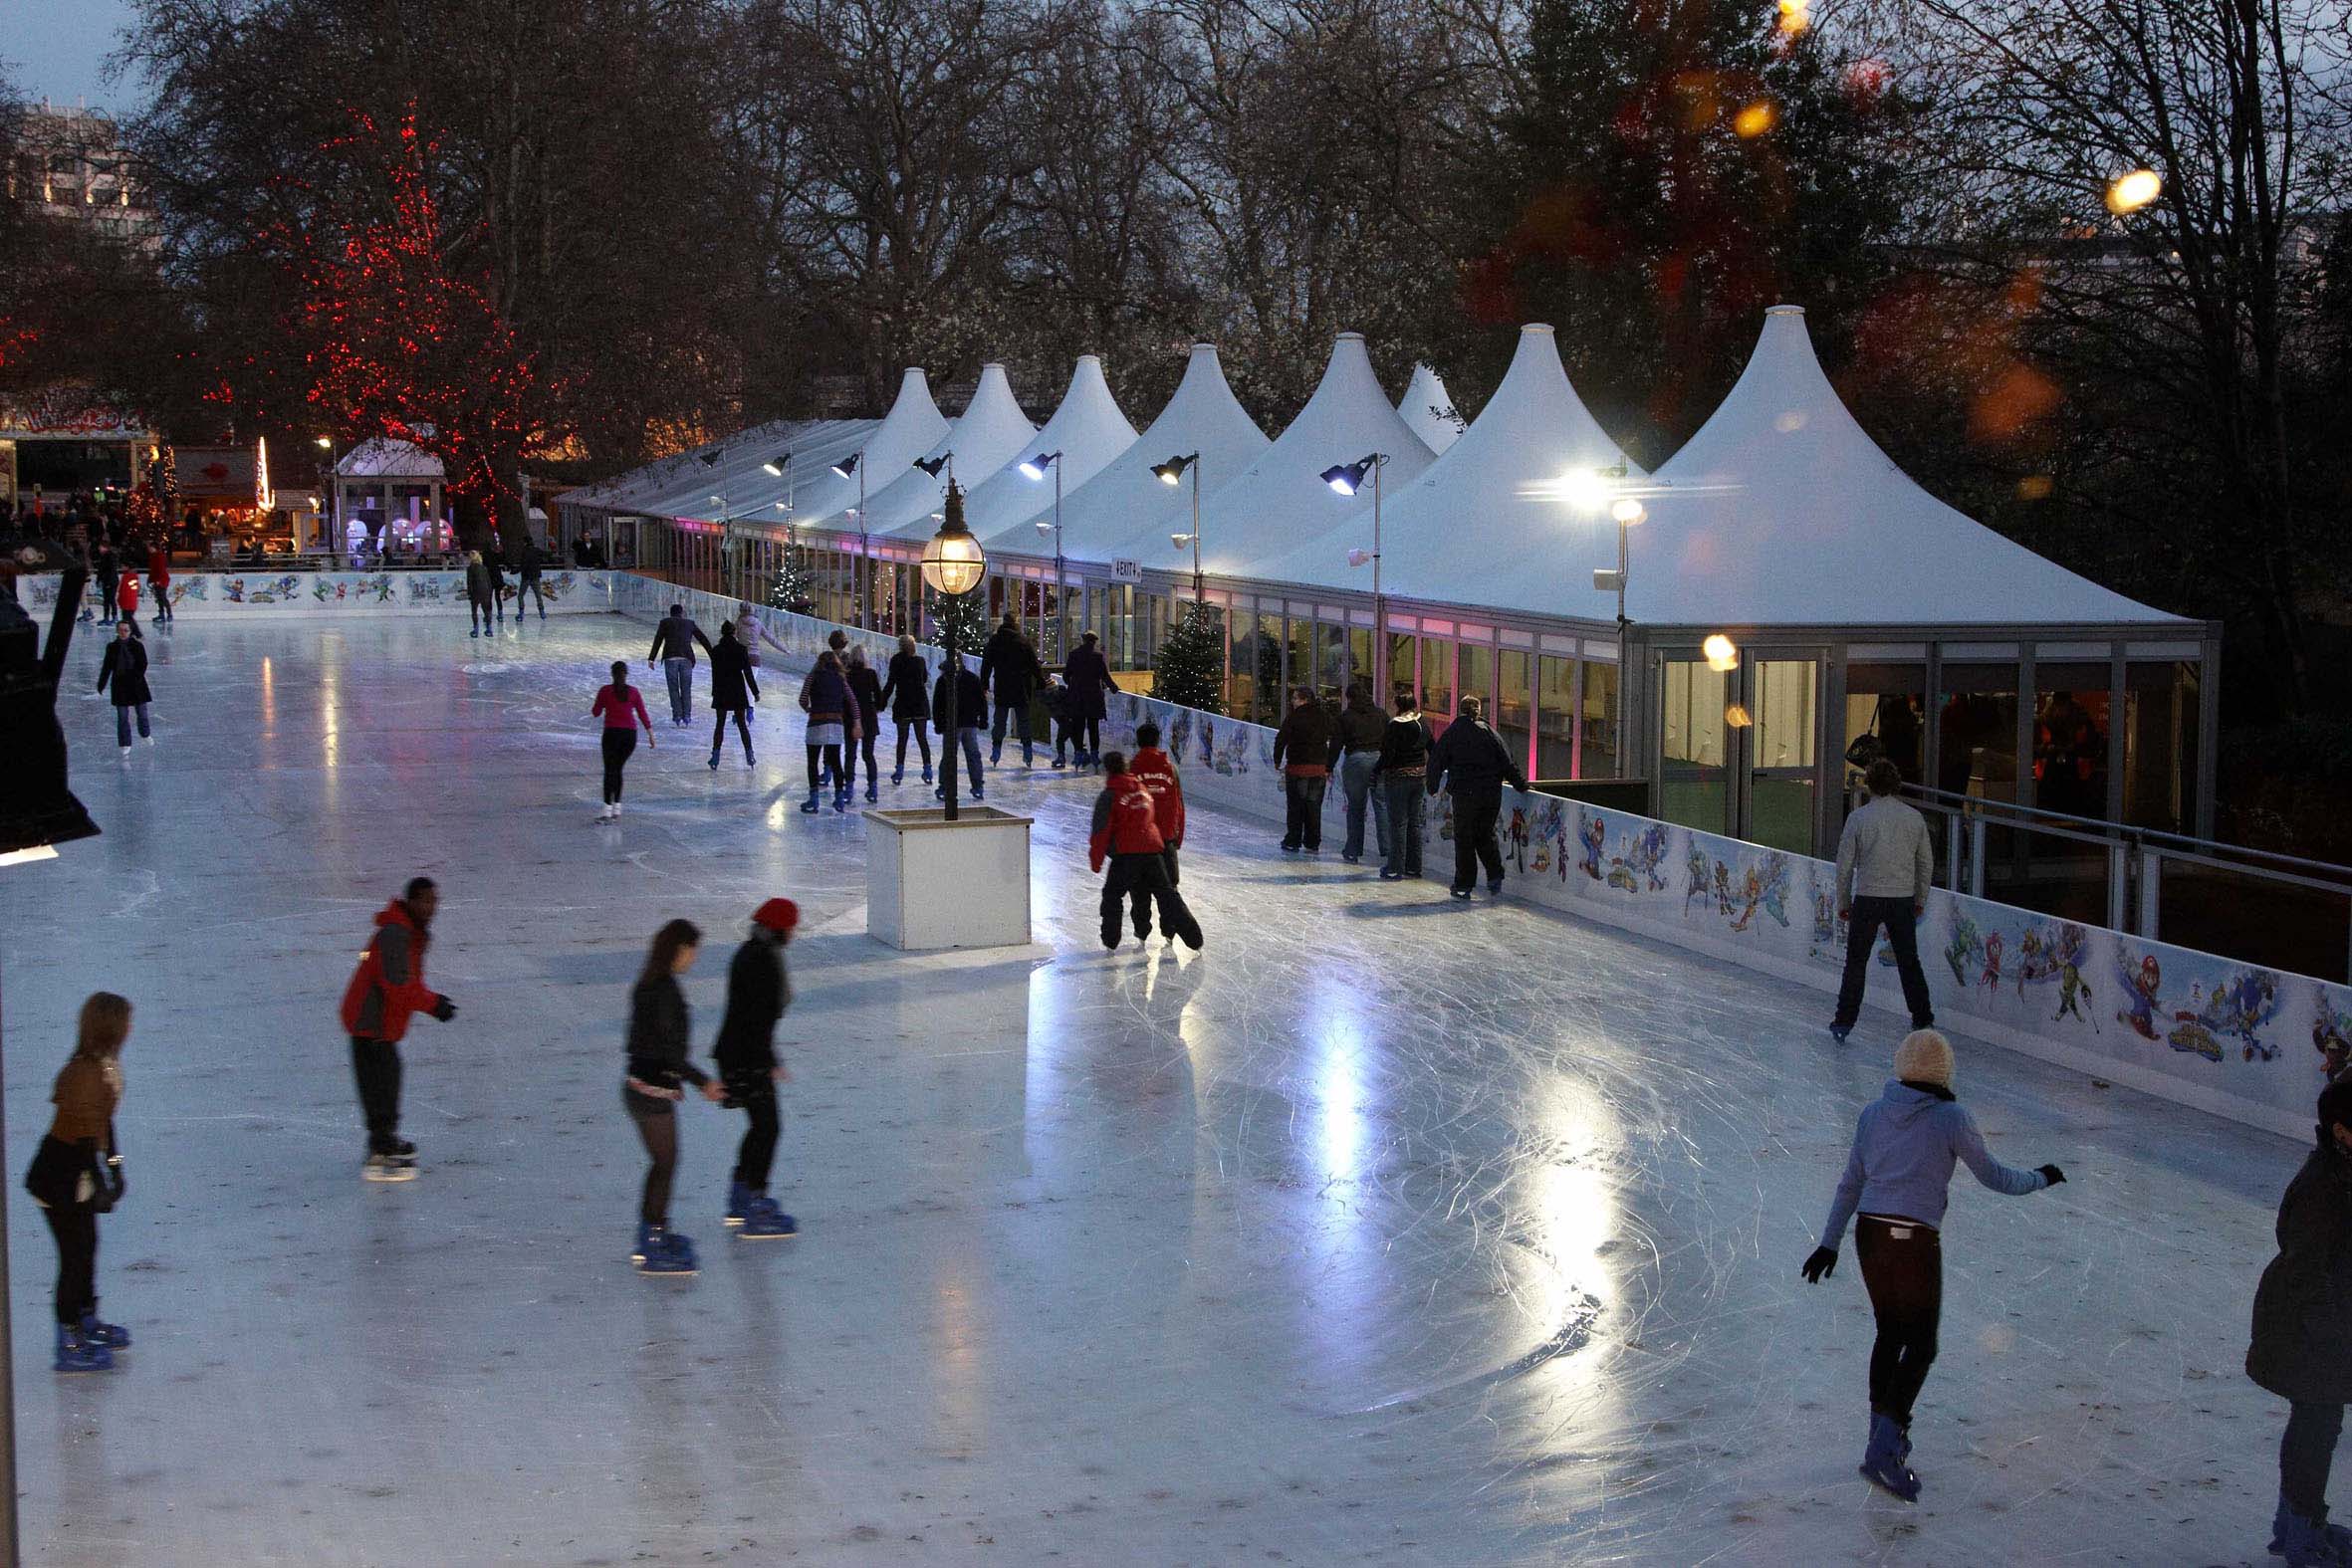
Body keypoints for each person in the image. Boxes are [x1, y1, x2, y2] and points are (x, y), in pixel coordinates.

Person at [1799, 1029, 2064, 1503]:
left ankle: (1880, 1436)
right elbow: (1996, 1177)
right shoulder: (1950, 1117)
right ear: (1945, 1071)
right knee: (1920, 1346)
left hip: (1871, 1236)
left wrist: (1829, 1244)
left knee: (1890, 1335)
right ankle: (1884, 1445)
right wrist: (2042, 1177)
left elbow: (1850, 1184)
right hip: (1915, 1242)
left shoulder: (1874, 1113)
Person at [2247, 1078, 2352, 1565]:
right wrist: (2335, 1334)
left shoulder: (2342, 1174)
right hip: (2306, 1328)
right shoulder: (2323, 1186)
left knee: (2320, 1423)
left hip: (2323, 1324)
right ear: (2342, 1131)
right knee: (2316, 1423)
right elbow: (2307, 1271)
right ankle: (2299, 1530)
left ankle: (2296, 1521)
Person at [24, 992, 134, 1373]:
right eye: (126, 1021)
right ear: (112, 1027)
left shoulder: (105, 1066)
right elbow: (86, 1138)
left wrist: (115, 1168)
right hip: (59, 1176)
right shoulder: (84, 1073)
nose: (131, 1028)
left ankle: (86, 1320)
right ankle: (68, 1340)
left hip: (78, 1173)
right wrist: (102, 1178)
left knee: (87, 1247)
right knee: (73, 1257)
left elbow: (105, 1126)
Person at [338, 877, 458, 1180]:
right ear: (413, 901)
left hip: (379, 1024)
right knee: (380, 1084)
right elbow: (399, 986)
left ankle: (385, 1142)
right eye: (427, 901)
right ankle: (380, 1150)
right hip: (370, 1024)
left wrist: (431, 1001)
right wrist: (434, 1005)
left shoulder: (409, 931)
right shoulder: (396, 934)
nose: (433, 908)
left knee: (388, 1078)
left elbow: (406, 982)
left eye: (436, 902)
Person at [624, 919, 726, 1274]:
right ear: (679, 949)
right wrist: (703, 1082)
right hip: (651, 1092)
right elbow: (669, 1053)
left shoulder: (650, 983)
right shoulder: (663, 990)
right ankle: (651, 1239)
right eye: (693, 950)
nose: (694, 958)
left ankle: (654, 1231)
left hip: (643, 1086)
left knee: (664, 1162)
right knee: (665, 1163)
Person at [1830, 759, 1938, 1042]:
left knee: (1856, 961)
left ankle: (1844, 1021)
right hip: (1901, 898)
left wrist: (1843, 903)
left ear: (1869, 784)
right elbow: (1925, 863)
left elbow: (1844, 866)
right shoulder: (1913, 818)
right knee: (1908, 961)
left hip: (1868, 897)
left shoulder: (1859, 819)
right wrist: (1920, 898)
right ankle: (1923, 1018)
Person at [714, 899, 801, 1240]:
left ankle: (741, 1195)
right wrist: (768, 1060)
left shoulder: (751, 951)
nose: (794, 933)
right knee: (768, 1127)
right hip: (747, 1057)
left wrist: (770, 1058)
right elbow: (757, 1018)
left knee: (760, 1126)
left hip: (740, 1054)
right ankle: (753, 1199)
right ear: (780, 928)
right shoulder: (762, 960)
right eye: (791, 927)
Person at [1089, 752, 1204, 951]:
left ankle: (1110, 940)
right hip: (1153, 852)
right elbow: (1149, 819)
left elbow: (1100, 831)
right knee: (1168, 895)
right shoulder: (1142, 789)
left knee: (1112, 896)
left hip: (1126, 855)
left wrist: (1096, 862)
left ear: (1108, 771)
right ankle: (1194, 938)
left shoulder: (1110, 795)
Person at [1427, 695, 1529, 900]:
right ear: (1479, 710)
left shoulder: (1453, 733)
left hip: (1465, 793)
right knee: (1485, 833)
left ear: (1460, 710)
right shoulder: (1491, 733)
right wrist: (1520, 784)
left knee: (1464, 838)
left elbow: (1436, 761)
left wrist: (1432, 786)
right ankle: (1494, 875)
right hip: (1490, 793)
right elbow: (1507, 761)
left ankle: (1464, 884)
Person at [1272, 686, 1338, 853]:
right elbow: (1336, 735)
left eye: (1295, 698)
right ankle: (1312, 841)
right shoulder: (1324, 716)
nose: (1292, 702)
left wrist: (1277, 760)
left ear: (1304, 700)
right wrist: (1328, 764)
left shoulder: (1294, 717)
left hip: (1298, 768)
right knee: (1313, 807)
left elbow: (1281, 739)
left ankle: (1293, 840)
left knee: (1296, 806)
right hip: (1318, 769)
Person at [1376, 690, 1434, 881]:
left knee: (1398, 823)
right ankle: (1413, 867)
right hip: (1419, 777)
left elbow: (1387, 754)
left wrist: (1376, 772)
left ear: (1399, 705)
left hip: (1398, 778)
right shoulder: (1423, 724)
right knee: (1414, 823)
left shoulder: (1396, 726)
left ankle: (1394, 867)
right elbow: (1433, 748)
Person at [591, 659, 656, 819]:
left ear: (612, 675)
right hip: (630, 737)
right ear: (626, 674)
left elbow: (595, 712)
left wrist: (601, 702)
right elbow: (642, 713)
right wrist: (651, 734)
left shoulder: (605, 691)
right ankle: (617, 808)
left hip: (611, 735)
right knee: (618, 769)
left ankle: (607, 810)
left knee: (609, 771)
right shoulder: (634, 692)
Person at [1335, 684, 1390, 866]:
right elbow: (1390, 738)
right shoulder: (1381, 714)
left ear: (1349, 698)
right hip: (1379, 760)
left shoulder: (1346, 717)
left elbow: (1336, 743)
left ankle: (1353, 850)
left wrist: (1328, 766)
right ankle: (1388, 849)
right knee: (1381, 805)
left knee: (1356, 807)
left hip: (1356, 761)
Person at [1129, 720, 1186, 888]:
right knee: (1169, 895)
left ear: (1138, 742)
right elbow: (1179, 804)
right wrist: (1177, 838)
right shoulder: (1170, 768)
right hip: (1166, 839)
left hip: (1139, 843)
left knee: (1140, 894)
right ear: (1157, 740)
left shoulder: (1131, 768)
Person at [980, 612, 1041, 768]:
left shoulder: (995, 641)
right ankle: (1027, 751)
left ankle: (996, 749)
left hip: (1002, 685)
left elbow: (986, 664)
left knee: (999, 720)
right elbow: (1034, 664)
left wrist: (984, 684)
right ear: (1016, 622)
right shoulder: (1023, 641)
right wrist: (1040, 681)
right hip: (1021, 686)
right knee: (1024, 720)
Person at [800, 649, 856, 813]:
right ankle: (839, 798)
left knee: (812, 762)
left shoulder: (813, 675)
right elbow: (852, 700)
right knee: (836, 761)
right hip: (835, 723)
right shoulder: (841, 679)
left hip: (816, 722)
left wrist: (808, 708)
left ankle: (814, 799)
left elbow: (803, 698)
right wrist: (857, 721)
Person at [933, 652, 988, 802]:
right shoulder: (970, 679)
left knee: (952, 756)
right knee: (971, 755)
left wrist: (939, 724)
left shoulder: (945, 680)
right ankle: (975, 785)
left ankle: (945, 786)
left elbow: (937, 705)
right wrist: (983, 719)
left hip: (957, 724)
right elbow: (981, 701)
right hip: (965, 723)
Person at [878, 634, 933, 784]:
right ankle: (928, 769)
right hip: (920, 705)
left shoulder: (896, 661)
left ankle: (900, 770)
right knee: (922, 739)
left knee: (902, 739)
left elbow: (890, 683)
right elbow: (924, 679)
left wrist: (881, 703)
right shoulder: (920, 661)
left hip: (903, 705)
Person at [647, 602, 714, 725]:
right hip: (686, 658)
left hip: (670, 658)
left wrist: (651, 658)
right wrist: (712, 656)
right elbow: (703, 639)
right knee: (686, 688)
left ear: (671, 613)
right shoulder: (689, 623)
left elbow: (658, 640)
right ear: (682, 613)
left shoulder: (665, 622)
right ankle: (687, 716)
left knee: (673, 688)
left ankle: (677, 715)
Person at [706, 621, 759, 772]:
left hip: (721, 690)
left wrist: (714, 692)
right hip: (737, 691)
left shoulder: (716, 650)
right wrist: (755, 692)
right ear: (734, 632)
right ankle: (750, 755)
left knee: (720, 724)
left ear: (722, 633)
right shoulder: (741, 649)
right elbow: (747, 672)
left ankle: (715, 756)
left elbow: (714, 673)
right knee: (742, 725)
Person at [97, 620, 152, 757]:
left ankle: (145, 733)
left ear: (130, 631)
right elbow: (107, 666)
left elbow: (143, 663)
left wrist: (136, 677)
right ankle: (125, 743)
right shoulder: (112, 647)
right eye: (121, 630)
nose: (123, 633)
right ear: (117, 631)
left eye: (126, 630)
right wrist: (101, 683)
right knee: (122, 716)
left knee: (142, 713)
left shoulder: (138, 646)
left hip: (136, 684)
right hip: (119, 686)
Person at [1061, 630, 1114, 769]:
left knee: (1078, 727)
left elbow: (1066, 675)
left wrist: (1072, 686)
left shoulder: (1074, 655)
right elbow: (1105, 676)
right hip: (1094, 698)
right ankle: (1095, 754)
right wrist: (1114, 688)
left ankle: (1078, 753)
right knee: (1093, 727)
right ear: (1094, 642)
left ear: (1083, 640)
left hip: (1077, 697)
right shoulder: (1097, 657)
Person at [842, 645, 884, 802]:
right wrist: (877, 708)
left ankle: (849, 788)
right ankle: (873, 788)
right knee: (868, 755)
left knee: (850, 755)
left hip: (850, 719)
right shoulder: (871, 674)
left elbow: (844, 699)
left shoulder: (846, 675)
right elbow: (879, 698)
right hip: (868, 719)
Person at [515, 535, 547, 620]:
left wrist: (516, 570)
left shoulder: (524, 551)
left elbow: (523, 564)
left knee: (520, 595)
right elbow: (546, 555)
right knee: (538, 595)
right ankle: (542, 612)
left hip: (526, 577)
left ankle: (521, 613)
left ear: (524, 542)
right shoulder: (536, 550)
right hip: (535, 575)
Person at [146, 538, 172, 625]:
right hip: (157, 580)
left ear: (154, 547)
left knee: (163, 597)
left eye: (150, 547)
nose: (148, 549)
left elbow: (160, 569)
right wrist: (150, 580)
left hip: (162, 580)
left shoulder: (159, 556)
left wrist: (159, 581)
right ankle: (161, 614)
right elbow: (153, 570)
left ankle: (169, 614)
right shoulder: (153, 556)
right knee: (159, 598)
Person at [94, 538, 118, 625]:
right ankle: (106, 618)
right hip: (106, 581)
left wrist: (108, 581)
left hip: (111, 582)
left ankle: (115, 617)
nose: (99, 549)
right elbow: (101, 570)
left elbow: (110, 570)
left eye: (100, 547)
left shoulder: (110, 556)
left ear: (105, 547)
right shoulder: (104, 557)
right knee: (106, 601)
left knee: (111, 599)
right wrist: (99, 580)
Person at [484, 542, 508, 627]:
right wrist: (502, 552)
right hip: (497, 578)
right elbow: (503, 560)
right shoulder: (495, 555)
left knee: (489, 598)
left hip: (489, 579)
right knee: (497, 598)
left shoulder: (485, 556)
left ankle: (488, 615)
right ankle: (500, 614)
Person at [116, 568, 141, 634]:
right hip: (128, 602)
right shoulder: (129, 577)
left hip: (128, 602)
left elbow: (129, 591)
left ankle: (137, 633)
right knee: (127, 618)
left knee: (128, 619)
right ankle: (132, 633)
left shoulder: (129, 577)